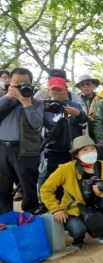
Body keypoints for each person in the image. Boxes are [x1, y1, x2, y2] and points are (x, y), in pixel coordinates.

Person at [40, 136, 103, 247]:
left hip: (98, 207)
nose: (90, 152)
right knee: (78, 230)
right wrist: (56, 209)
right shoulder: (66, 169)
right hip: (75, 210)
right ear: (76, 155)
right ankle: (78, 238)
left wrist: (101, 192)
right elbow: (45, 189)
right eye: (85, 150)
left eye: (93, 149)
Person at [36, 77, 88, 214]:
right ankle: (45, 202)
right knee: (49, 176)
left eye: (61, 90)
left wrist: (78, 114)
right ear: (49, 91)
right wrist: (40, 107)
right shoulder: (44, 106)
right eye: (55, 90)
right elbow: (37, 123)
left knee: (76, 174)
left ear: (67, 91)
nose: (58, 93)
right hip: (53, 147)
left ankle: (77, 201)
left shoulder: (74, 106)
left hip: (73, 148)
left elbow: (85, 121)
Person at [0, 68, 44, 214]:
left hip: (25, 149)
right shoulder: (3, 98)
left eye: (24, 83)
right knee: (2, 186)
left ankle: (29, 217)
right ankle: (5, 220)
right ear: (9, 83)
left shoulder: (36, 102)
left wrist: (26, 103)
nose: (19, 86)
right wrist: (8, 97)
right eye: (16, 83)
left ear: (31, 84)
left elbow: (36, 124)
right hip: (2, 148)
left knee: (28, 185)